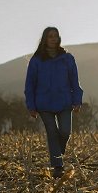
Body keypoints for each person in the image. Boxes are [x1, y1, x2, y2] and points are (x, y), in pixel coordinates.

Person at [24, 27, 83, 178]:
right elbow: (30, 84)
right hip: (43, 103)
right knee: (51, 132)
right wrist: (31, 105)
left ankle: (58, 151)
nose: (53, 39)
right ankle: (58, 166)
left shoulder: (67, 58)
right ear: (45, 39)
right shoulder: (36, 60)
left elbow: (74, 81)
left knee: (65, 131)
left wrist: (77, 99)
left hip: (64, 101)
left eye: (55, 36)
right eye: (50, 36)